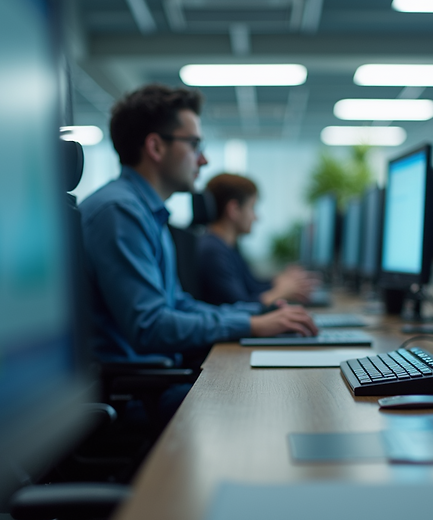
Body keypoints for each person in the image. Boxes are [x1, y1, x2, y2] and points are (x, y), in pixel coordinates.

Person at [79, 84, 318, 371]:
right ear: (156, 147)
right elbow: (150, 326)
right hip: (140, 386)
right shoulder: (119, 212)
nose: (204, 160)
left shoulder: (146, 212)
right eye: (194, 145)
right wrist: (252, 324)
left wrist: (256, 312)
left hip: (159, 373)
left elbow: (179, 305)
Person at [198, 173, 319, 307]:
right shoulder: (213, 251)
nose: (256, 217)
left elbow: (251, 287)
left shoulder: (227, 246)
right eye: (252, 207)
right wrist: (280, 292)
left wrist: (278, 281)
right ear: (234, 209)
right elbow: (240, 307)